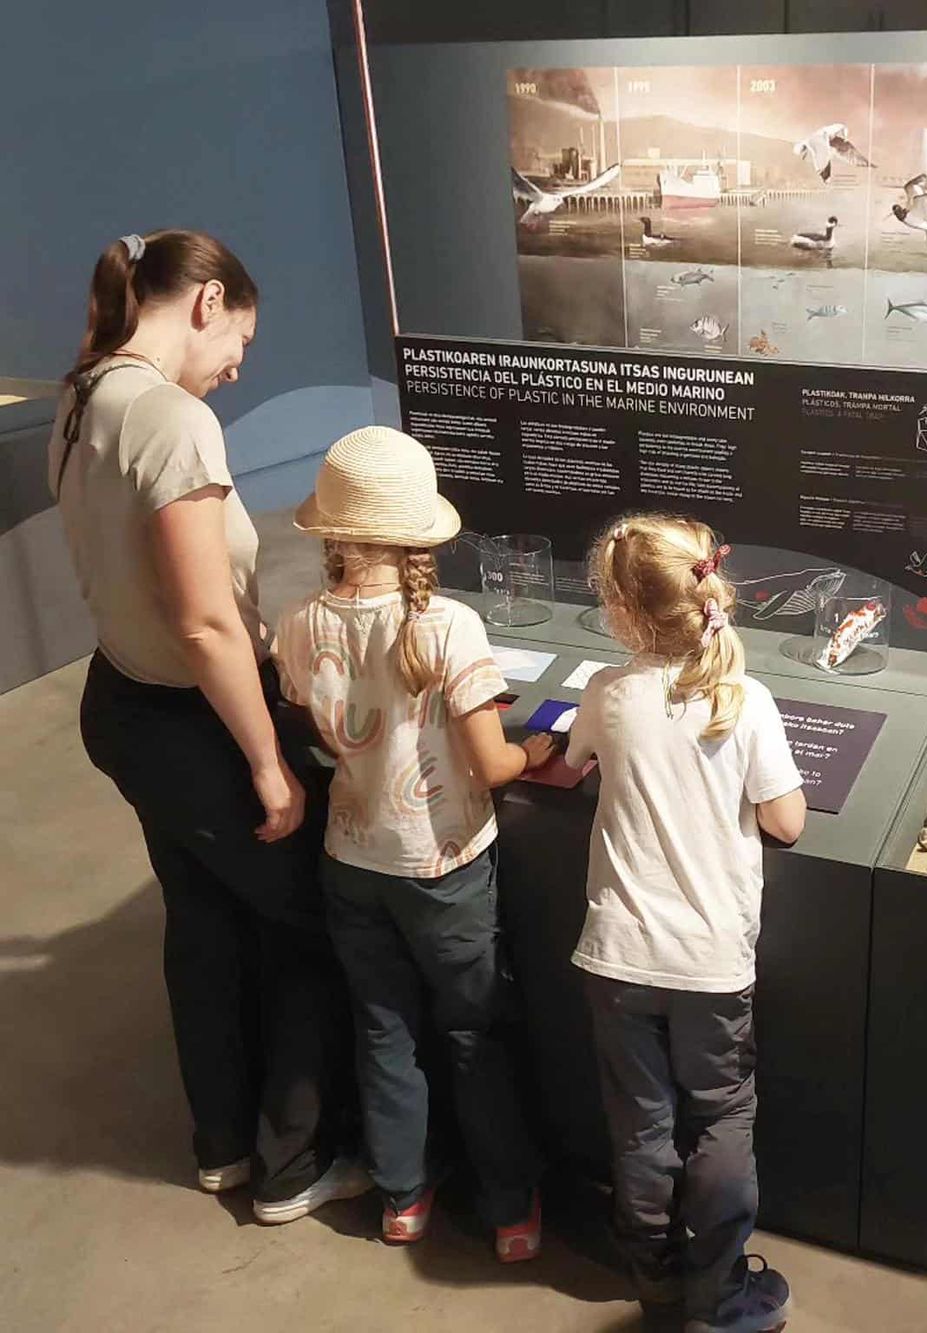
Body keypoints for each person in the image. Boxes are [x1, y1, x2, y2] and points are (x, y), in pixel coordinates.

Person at [49, 230, 368, 1222]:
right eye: (241, 335)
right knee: (308, 920)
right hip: (194, 724)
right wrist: (269, 763)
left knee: (205, 923)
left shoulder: (83, 392)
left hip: (121, 701)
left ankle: (222, 1141)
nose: (240, 361)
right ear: (205, 301)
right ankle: (296, 1161)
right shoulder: (173, 421)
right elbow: (203, 619)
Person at [272, 425, 552, 1260]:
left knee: (383, 1025)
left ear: (332, 529)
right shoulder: (449, 626)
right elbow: (491, 760)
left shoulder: (296, 623)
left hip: (349, 858)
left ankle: (401, 1197)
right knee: (472, 1031)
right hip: (443, 864)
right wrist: (532, 750)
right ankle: (509, 1210)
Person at [564, 515, 806, 1333]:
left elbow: (570, 762)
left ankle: (656, 1280)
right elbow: (787, 821)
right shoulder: (748, 699)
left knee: (641, 1123)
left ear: (622, 611)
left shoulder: (606, 689)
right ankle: (719, 1293)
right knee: (723, 1117)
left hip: (618, 956)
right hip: (710, 966)